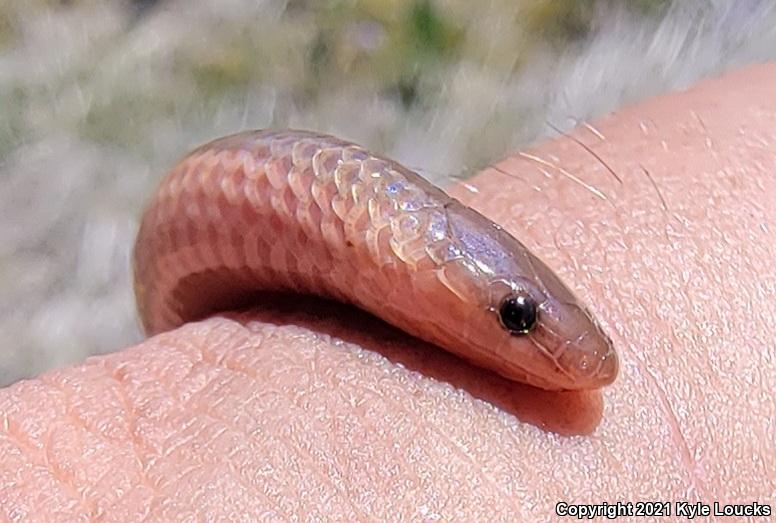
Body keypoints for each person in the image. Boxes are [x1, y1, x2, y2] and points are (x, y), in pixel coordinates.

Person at [1, 62, 773, 521]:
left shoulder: (394, 243)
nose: (555, 353)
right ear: (405, 261)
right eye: (515, 316)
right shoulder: (385, 236)